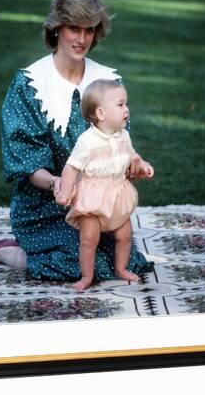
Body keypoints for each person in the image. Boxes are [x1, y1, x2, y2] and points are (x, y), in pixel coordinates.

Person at [0, 0, 154, 282]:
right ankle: (12, 252)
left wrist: (131, 165)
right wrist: (57, 183)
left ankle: (43, 254)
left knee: (126, 262)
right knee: (83, 265)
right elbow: (28, 162)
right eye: (74, 28)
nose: (82, 38)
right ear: (57, 28)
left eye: (89, 30)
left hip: (97, 205)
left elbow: (119, 144)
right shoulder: (30, 84)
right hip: (45, 206)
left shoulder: (107, 82)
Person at [56, 79, 154, 291]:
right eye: (120, 105)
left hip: (117, 194)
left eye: (126, 104)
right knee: (89, 238)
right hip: (93, 197)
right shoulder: (87, 141)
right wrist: (65, 191)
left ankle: (121, 268)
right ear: (101, 114)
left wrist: (140, 163)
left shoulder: (123, 136)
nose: (126, 110)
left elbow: (131, 155)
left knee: (124, 234)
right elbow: (71, 168)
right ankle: (86, 277)